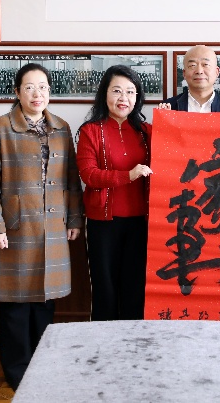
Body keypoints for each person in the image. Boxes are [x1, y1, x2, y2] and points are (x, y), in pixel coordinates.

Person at [0, 63, 83, 391]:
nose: (37, 94)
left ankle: (42, 367)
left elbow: (71, 179)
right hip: (16, 227)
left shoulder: (61, 128)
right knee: (15, 304)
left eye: (43, 87)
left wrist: (75, 219)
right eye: (29, 87)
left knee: (45, 302)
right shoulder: (0, 128)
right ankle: (17, 372)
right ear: (17, 92)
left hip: (53, 226)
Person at [76, 65, 153, 321]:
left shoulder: (147, 132)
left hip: (141, 223)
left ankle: (133, 342)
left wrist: (168, 118)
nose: (124, 98)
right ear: (105, 94)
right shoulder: (90, 131)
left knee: (135, 289)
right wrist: (127, 175)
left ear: (137, 97)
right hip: (103, 224)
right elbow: (89, 175)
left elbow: (173, 153)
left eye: (130, 92)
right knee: (105, 290)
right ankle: (103, 343)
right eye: (117, 91)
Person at [159, 45, 220, 112]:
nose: (199, 71)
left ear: (217, 72)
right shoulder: (168, 108)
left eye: (206, 65)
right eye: (192, 65)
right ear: (184, 73)